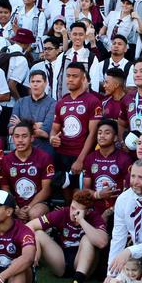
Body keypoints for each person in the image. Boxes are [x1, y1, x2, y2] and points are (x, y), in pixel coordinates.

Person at [27, 189, 108, 283]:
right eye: (72, 208)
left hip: (83, 264)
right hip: (62, 261)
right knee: (38, 234)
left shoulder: (94, 217)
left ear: (87, 211)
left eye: (78, 210)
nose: (73, 212)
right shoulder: (63, 212)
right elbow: (29, 226)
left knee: (87, 239)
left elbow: (102, 242)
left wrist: (81, 221)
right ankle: (31, 270)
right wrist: (35, 246)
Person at [50, 62, 101, 199]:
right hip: (62, 154)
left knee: (79, 195)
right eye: (68, 76)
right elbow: (55, 129)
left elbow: (93, 133)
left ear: (83, 79)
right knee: (65, 191)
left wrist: (80, 159)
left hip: (80, 155)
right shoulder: (61, 102)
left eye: (74, 76)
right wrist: (52, 138)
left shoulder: (93, 101)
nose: (70, 79)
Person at [0, 120, 54, 222]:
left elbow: (46, 190)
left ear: (32, 138)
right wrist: (15, 208)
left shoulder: (44, 157)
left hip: (39, 203)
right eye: (16, 136)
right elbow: (5, 188)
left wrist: (29, 206)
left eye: (24, 136)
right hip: (15, 204)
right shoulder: (6, 160)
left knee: (34, 213)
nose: (20, 140)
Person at [83, 119, 132, 217]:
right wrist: (98, 195)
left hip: (119, 210)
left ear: (115, 138)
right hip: (94, 208)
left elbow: (129, 192)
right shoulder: (90, 158)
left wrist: (110, 211)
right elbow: (85, 189)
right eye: (99, 133)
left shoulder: (125, 159)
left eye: (107, 133)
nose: (102, 136)